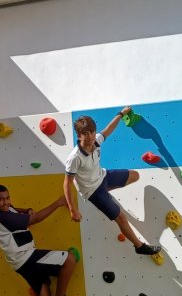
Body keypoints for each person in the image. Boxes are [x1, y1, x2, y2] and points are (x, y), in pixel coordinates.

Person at [64, 106, 160, 256]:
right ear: (79, 135)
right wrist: (72, 209)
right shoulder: (74, 158)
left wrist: (121, 114)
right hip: (92, 191)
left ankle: (106, 193)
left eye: (92, 132)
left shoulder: (96, 141)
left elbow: (109, 129)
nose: (90, 136)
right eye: (85, 133)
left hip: (103, 177)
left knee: (135, 175)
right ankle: (139, 247)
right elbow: (67, 183)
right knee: (121, 217)